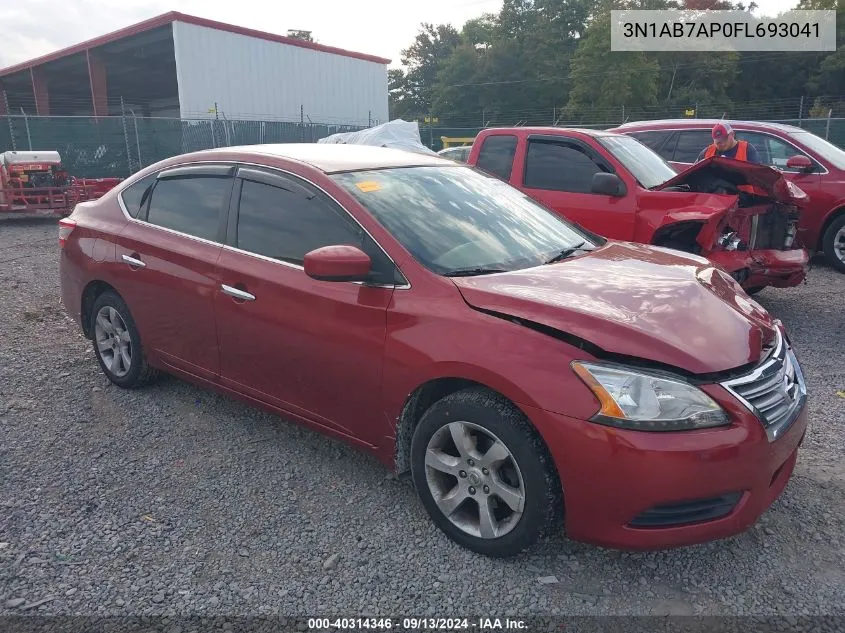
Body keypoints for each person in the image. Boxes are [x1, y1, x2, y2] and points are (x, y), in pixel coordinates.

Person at [696, 122, 760, 164]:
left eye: (724, 139)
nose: (721, 143)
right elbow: (694, 173)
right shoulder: (707, 152)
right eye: (717, 141)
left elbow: (757, 175)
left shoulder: (747, 149)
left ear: (732, 134)